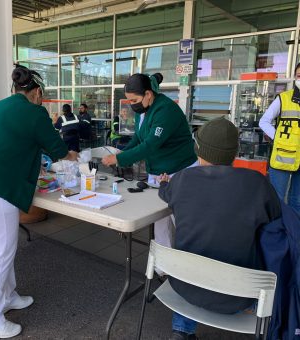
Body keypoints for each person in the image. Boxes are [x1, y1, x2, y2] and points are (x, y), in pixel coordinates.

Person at [0, 65, 78, 339]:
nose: (42, 102)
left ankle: (8, 295)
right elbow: (57, 150)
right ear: (36, 92)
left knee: (1, 249)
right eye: (42, 98)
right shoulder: (35, 112)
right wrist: (72, 155)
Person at [158, 117, 281, 340]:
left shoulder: (182, 179)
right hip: (241, 296)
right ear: (234, 153)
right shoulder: (258, 184)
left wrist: (165, 183)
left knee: (193, 260)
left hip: (185, 289)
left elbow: (166, 194)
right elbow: (275, 220)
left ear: (198, 150)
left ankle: (181, 331)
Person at [102, 73, 197, 249]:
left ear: (148, 94)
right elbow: (138, 137)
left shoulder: (166, 110)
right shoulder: (143, 110)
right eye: (129, 101)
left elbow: (151, 144)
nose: (132, 105)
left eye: (134, 100)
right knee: (160, 219)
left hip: (178, 170)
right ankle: (164, 267)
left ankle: (189, 264)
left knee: (182, 221)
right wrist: (120, 151)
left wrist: (119, 158)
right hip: (158, 171)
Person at [259, 63, 300, 214]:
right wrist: (279, 138)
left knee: (298, 201)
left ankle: (294, 233)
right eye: (299, 75)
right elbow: (264, 122)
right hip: (283, 155)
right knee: (277, 199)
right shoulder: (284, 98)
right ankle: (276, 232)